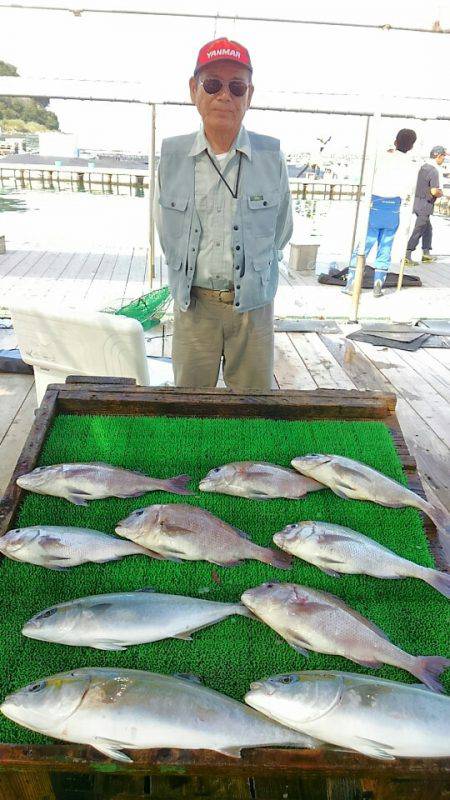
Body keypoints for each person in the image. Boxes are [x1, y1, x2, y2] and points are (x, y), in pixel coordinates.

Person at [155, 37, 292, 391]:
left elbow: (282, 230)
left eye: (236, 86)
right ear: (193, 89)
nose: (224, 95)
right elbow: (165, 232)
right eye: (212, 84)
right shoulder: (170, 157)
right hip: (193, 307)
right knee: (190, 406)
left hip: (253, 310)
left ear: (249, 94)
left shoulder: (272, 155)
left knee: (253, 408)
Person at [343, 128, 417, 298]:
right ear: (412, 146)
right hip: (394, 208)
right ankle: (378, 285)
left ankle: (352, 283)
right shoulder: (412, 164)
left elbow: (369, 174)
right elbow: (410, 190)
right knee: (386, 245)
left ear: (395, 141)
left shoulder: (383, 157)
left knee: (364, 244)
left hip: (376, 204)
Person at [405, 145, 448, 266]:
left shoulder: (422, 167)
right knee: (418, 229)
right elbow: (434, 191)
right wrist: (441, 193)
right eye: (443, 156)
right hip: (426, 204)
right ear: (438, 156)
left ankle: (426, 253)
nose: (444, 159)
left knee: (427, 228)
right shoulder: (434, 170)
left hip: (417, 202)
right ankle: (407, 254)